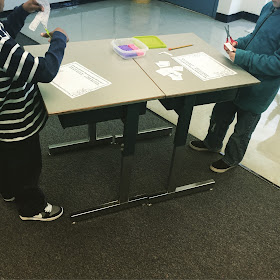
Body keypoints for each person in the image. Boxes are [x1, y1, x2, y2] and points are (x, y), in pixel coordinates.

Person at [189, 0, 280, 173]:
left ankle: (231, 159)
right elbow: (255, 37)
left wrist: (242, 57)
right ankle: (212, 143)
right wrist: (239, 43)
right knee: (220, 114)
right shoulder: (269, 7)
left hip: (260, 88)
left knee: (242, 131)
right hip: (238, 76)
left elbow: (277, 64)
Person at [0, 0, 69, 221]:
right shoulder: (1, 47)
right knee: (27, 165)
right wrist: (59, 39)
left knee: (6, 157)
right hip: (16, 121)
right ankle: (33, 208)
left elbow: (6, 32)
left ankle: (8, 191)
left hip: (4, 123)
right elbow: (45, 70)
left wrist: (21, 11)